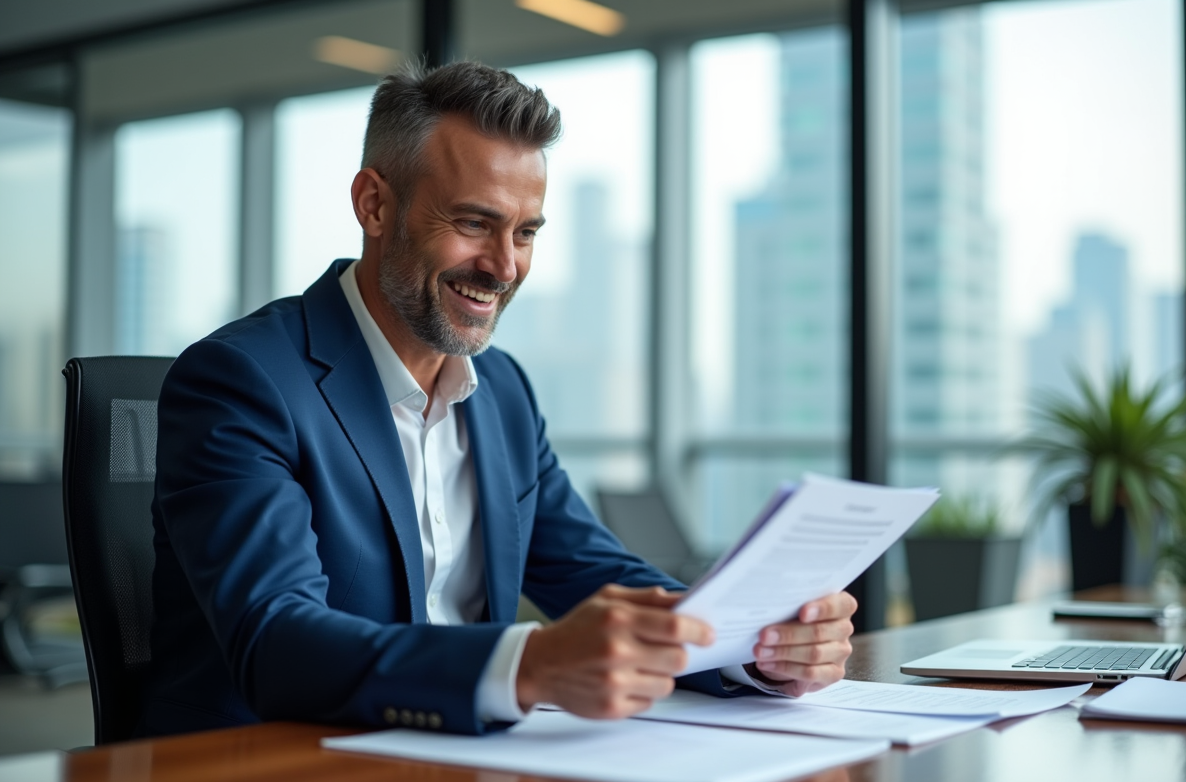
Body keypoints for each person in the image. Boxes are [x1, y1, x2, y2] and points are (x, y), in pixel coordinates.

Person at [140, 61, 856, 738]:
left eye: (526, 233)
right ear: (374, 205)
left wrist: (750, 643)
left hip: (461, 757)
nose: (504, 266)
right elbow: (276, 640)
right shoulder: (243, 381)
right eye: (474, 223)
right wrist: (530, 665)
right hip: (273, 768)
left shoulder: (503, 391)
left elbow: (591, 573)